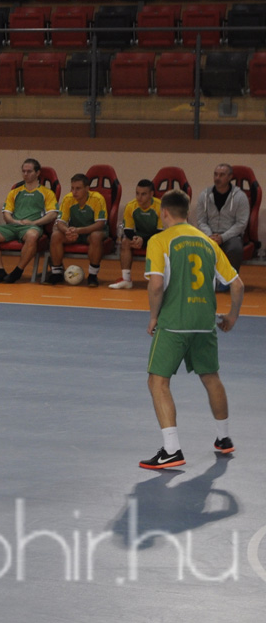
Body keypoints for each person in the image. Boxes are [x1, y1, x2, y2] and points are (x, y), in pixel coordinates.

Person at [139, 189, 244, 470]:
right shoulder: (208, 243)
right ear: (188, 213)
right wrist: (232, 316)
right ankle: (223, 438)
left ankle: (171, 450)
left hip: (174, 323)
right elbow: (237, 284)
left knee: (157, 381)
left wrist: (153, 317)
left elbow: (156, 285)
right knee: (211, 377)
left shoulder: (160, 240)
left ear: (164, 212)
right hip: (205, 323)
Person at [0, 158, 59, 284]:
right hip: (13, 225)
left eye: (29, 171)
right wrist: (13, 221)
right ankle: (0, 271)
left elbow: (52, 214)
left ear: (37, 173)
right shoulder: (15, 192)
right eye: (23, 171)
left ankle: (18, 271)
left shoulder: (47, 193)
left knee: (32, 236)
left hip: (32, 226)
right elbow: (6, 213)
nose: (25, 174)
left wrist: (34, 223)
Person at [194, 163, 250, 292]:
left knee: (235, 248)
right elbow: (201, 220)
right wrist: (210, 236)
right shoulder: (204, 195)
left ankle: (229, 280)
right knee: (196, 245)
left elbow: (241, 223)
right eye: (215, 174)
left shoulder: (240, 197)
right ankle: (204, 279)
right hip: (209, 234)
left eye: (222, 175)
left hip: (230, 235)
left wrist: (223, 237)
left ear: (230, 177)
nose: (217, 178)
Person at [46, 173, 109, 287]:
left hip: (92, 231)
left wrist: (79, 230)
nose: (74, 192)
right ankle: (57, 273)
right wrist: (67, 231)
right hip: (75, 232)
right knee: (56, 235)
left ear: (87, 188)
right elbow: (60, 222)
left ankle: (92, 275)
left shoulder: (97, 198)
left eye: (78, 188)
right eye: (72, 188)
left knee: (95, 236)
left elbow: (100, 224)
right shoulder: (68, 198)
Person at [109, 179, 162, 290]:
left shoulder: (160, 207)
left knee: (158, 244)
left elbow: (160, 232)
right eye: (137, 193)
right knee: (125, 242)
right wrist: (136, 238)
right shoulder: (130, 206)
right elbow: (128, 229)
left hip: (156, 237)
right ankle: (126, 280)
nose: (139, 197)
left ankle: (158, 280)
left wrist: (143, 240)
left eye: (143, 194)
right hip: (138, 238)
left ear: (151, 194)